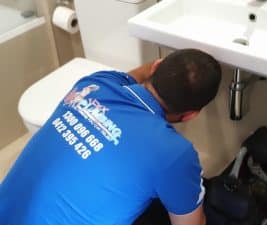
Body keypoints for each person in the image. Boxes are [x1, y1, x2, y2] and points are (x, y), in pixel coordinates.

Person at [0, 49, 221, 225]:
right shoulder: (175, 154)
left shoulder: (96, 83)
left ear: (156, 66)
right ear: (191, 115)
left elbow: (135, 75)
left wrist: (164, 68)